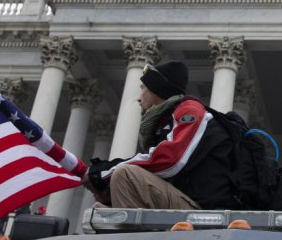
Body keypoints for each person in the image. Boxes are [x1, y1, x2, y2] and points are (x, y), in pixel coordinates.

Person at [84, 60, 231, 210]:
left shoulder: (189, 110)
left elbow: (171, 160)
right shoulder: (165, 121)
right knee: (100, 210)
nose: (139, 98)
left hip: (204, 209)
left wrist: (102, 174)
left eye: (143, 89)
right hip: (185, 199)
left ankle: (128, 232)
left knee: (125, 174)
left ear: (156, 89)